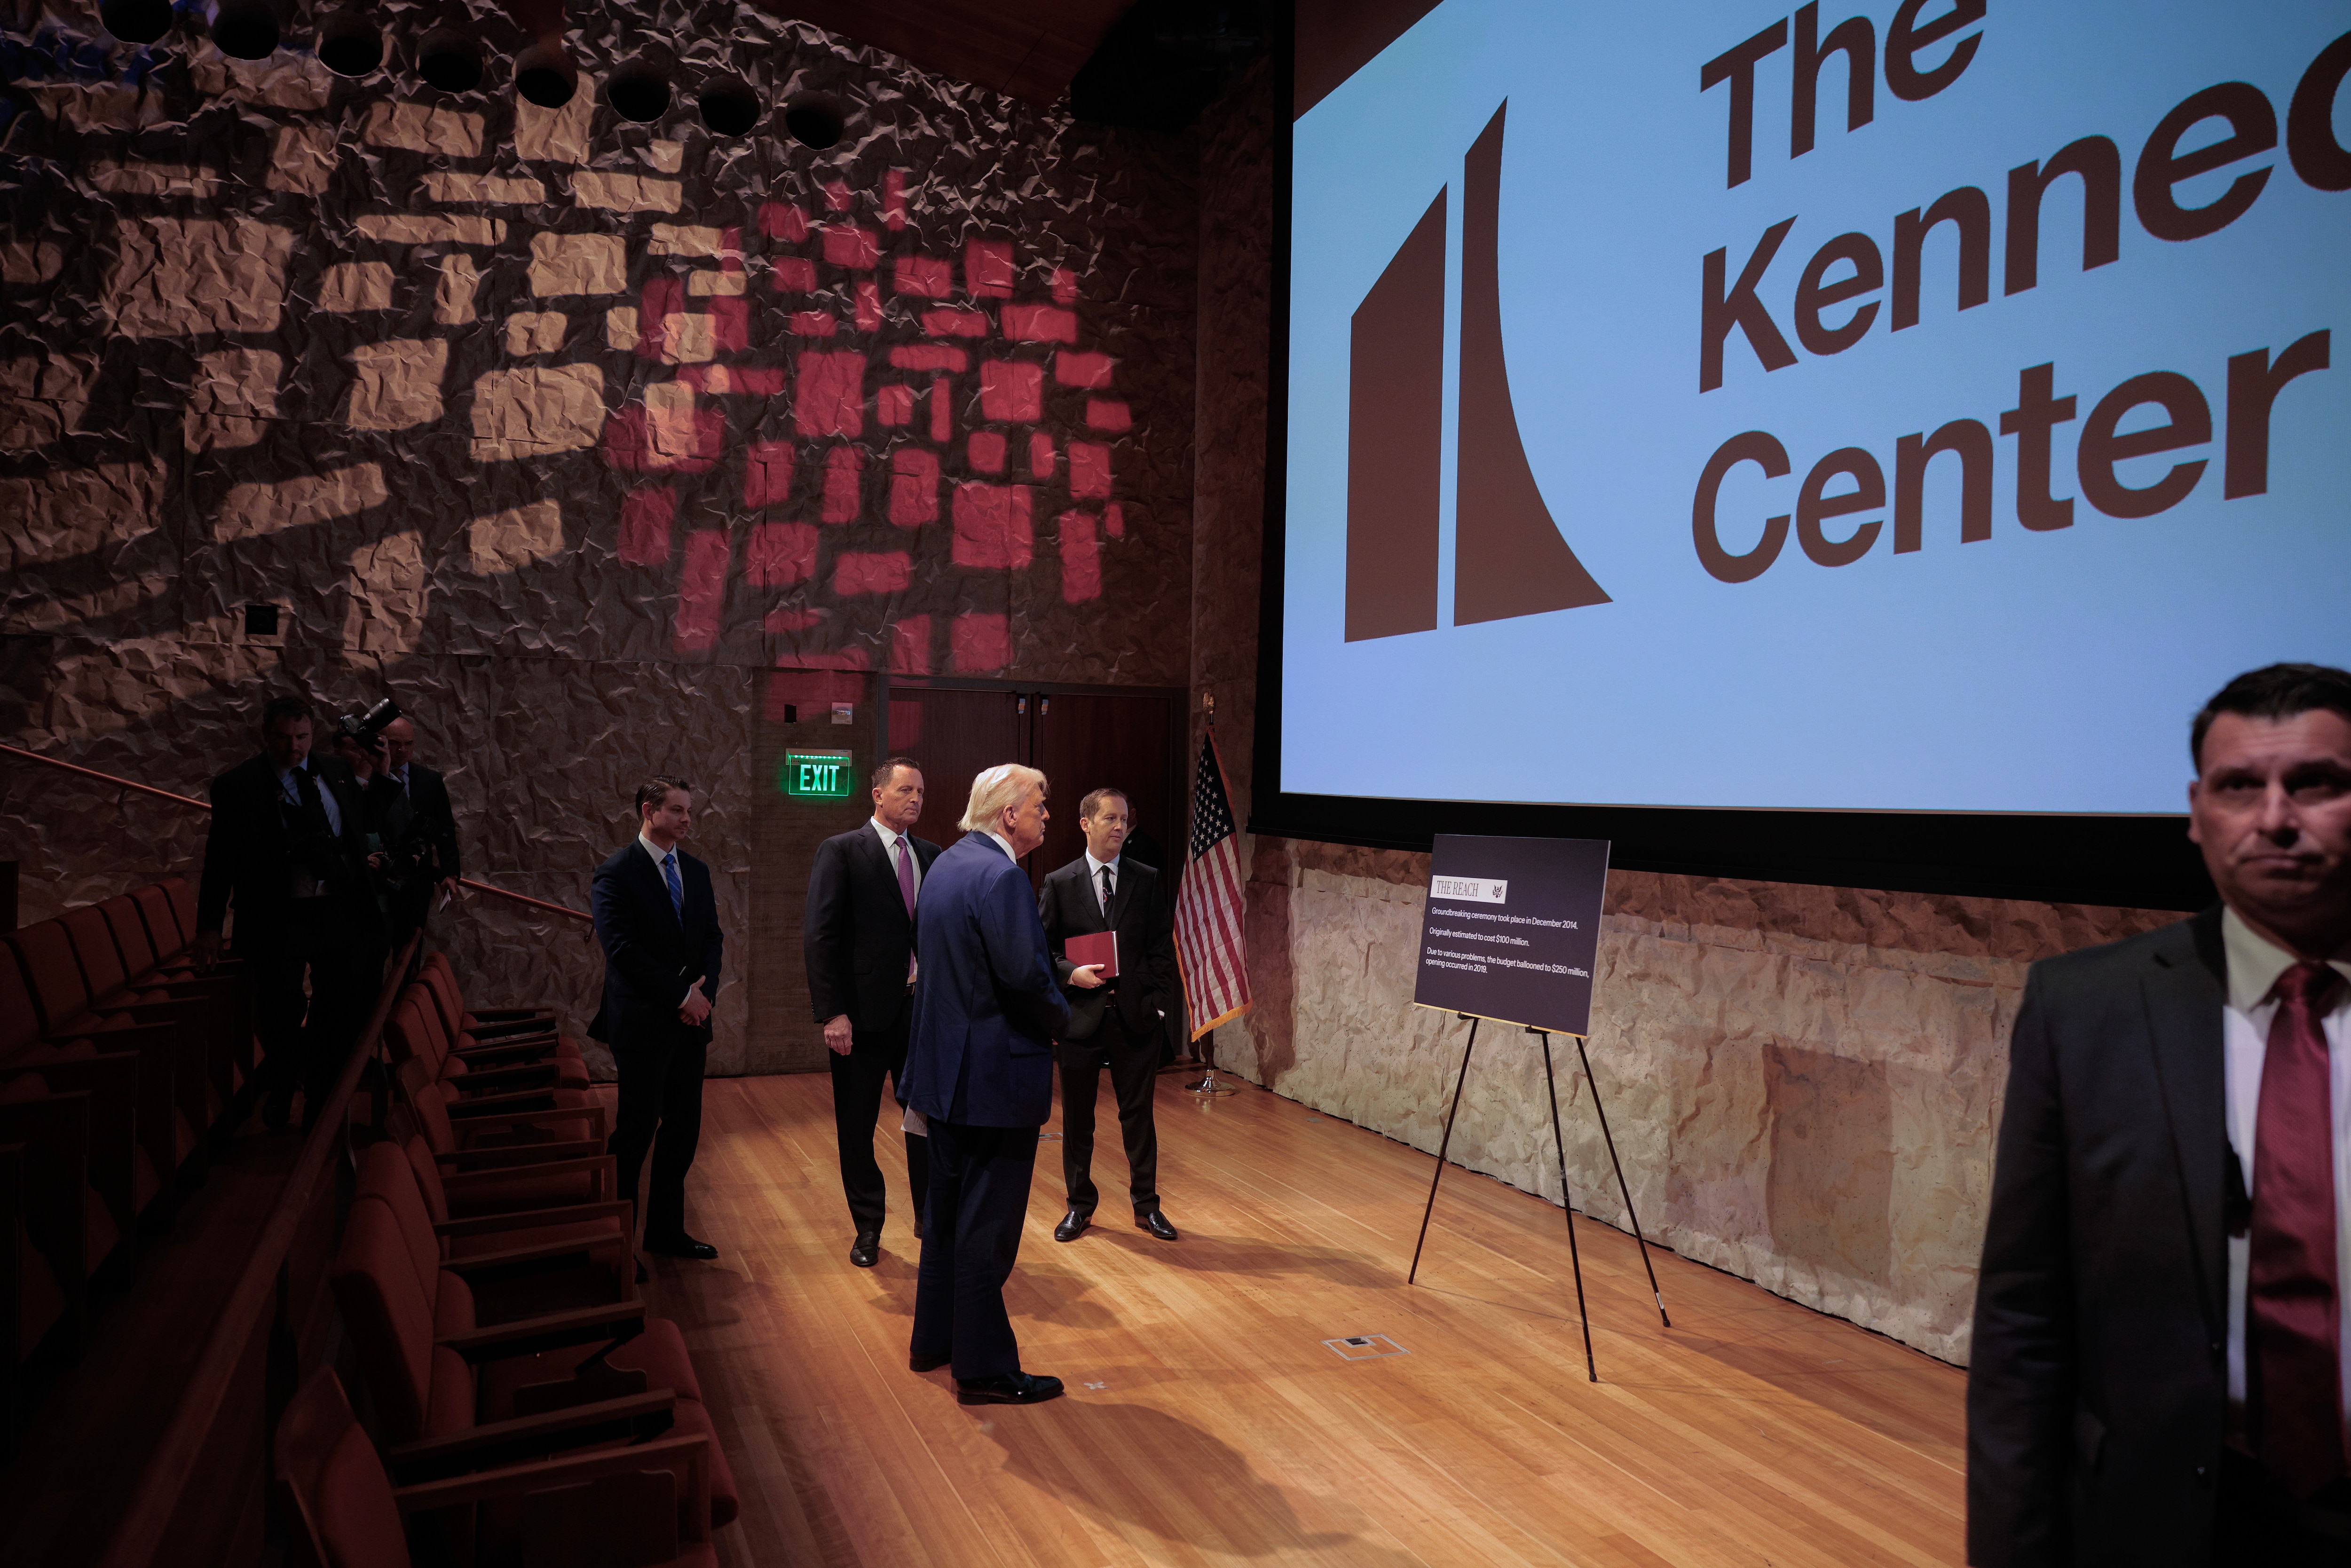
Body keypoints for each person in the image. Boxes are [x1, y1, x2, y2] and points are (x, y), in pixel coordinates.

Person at [1969, 663, 2351, 1568]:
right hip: (2163, 1518)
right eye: (2239, 787)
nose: (2275, 819)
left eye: (2316, 784)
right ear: (2195, 812)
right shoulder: (2084, 1010)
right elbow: (2024, 1319)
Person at [900, 764, 1072, 1405]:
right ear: (1009, 814)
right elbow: (1025, 979)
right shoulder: (1002, 876)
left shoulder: (947, 863)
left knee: (944, 1217)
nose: (1046, 815)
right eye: (1041, 804)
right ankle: (984, 1366)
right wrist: (1067, 1018)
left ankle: (934, 1340)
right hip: (992, 1081)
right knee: (987, 1227)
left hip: (944, 1075)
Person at [193, 695, 383, 1129]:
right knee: (279, 1009)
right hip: (276, 916)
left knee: (337, 1007)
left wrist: (381, 774)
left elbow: (361, 829)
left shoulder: (336, 772)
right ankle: (282, 1087)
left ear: (313, 733)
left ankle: (320, 1097)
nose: (293, 747)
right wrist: (208, 926)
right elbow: (219, 861)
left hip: (336, 910)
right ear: (266, 736)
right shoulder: (237, 786)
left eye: (301, 737)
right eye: (283, 738)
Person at [804, 756, 943, 1267]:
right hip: (860, 1019)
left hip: (920, 1012)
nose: (915, 799)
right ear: (877, 794)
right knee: (857, 1127)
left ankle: (930, 1218)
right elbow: (820, 937)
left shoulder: (932, 854)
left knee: (925, 1121)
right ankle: (868, 1226)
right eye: (905, 789)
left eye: (921, 791)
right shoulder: (842, 851)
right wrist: (832, 1013)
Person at [590, 776, 724, 1276]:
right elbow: (622, 950)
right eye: (677, 810)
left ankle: (665, 1231)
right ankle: (614, 1241)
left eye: (689, 810)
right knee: (635, 1130)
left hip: (691, 1023)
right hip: (644, 1023)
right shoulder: (615, 873)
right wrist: (680, 994)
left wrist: (703, 996)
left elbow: (712, 936)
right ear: (649, 810)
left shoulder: (694, 869)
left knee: (683, 1129)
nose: (687, 819)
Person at [1038, 786, 1181, 1244]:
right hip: (1079, 1017)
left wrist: (1158, 1005)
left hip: (1136, 1019)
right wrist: (1069, 973)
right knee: (1078, 1119)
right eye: (1110, 819)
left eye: (1123, 819)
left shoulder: (1146, 877)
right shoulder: (1059, 882)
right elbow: (1043, 950)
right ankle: (1079, 1206)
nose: (1120, 826)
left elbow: (1161, 945)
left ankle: (1147, 1205)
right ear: (1085, 823)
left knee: (1138, 1117)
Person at [379, 715, 460, 906]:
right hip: (380, 876)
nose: (402, 750)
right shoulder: (370, 776)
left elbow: (445, 829)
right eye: (395, 743)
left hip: (418, 876)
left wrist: (450, 873)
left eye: (409, 743)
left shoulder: (429, 780)